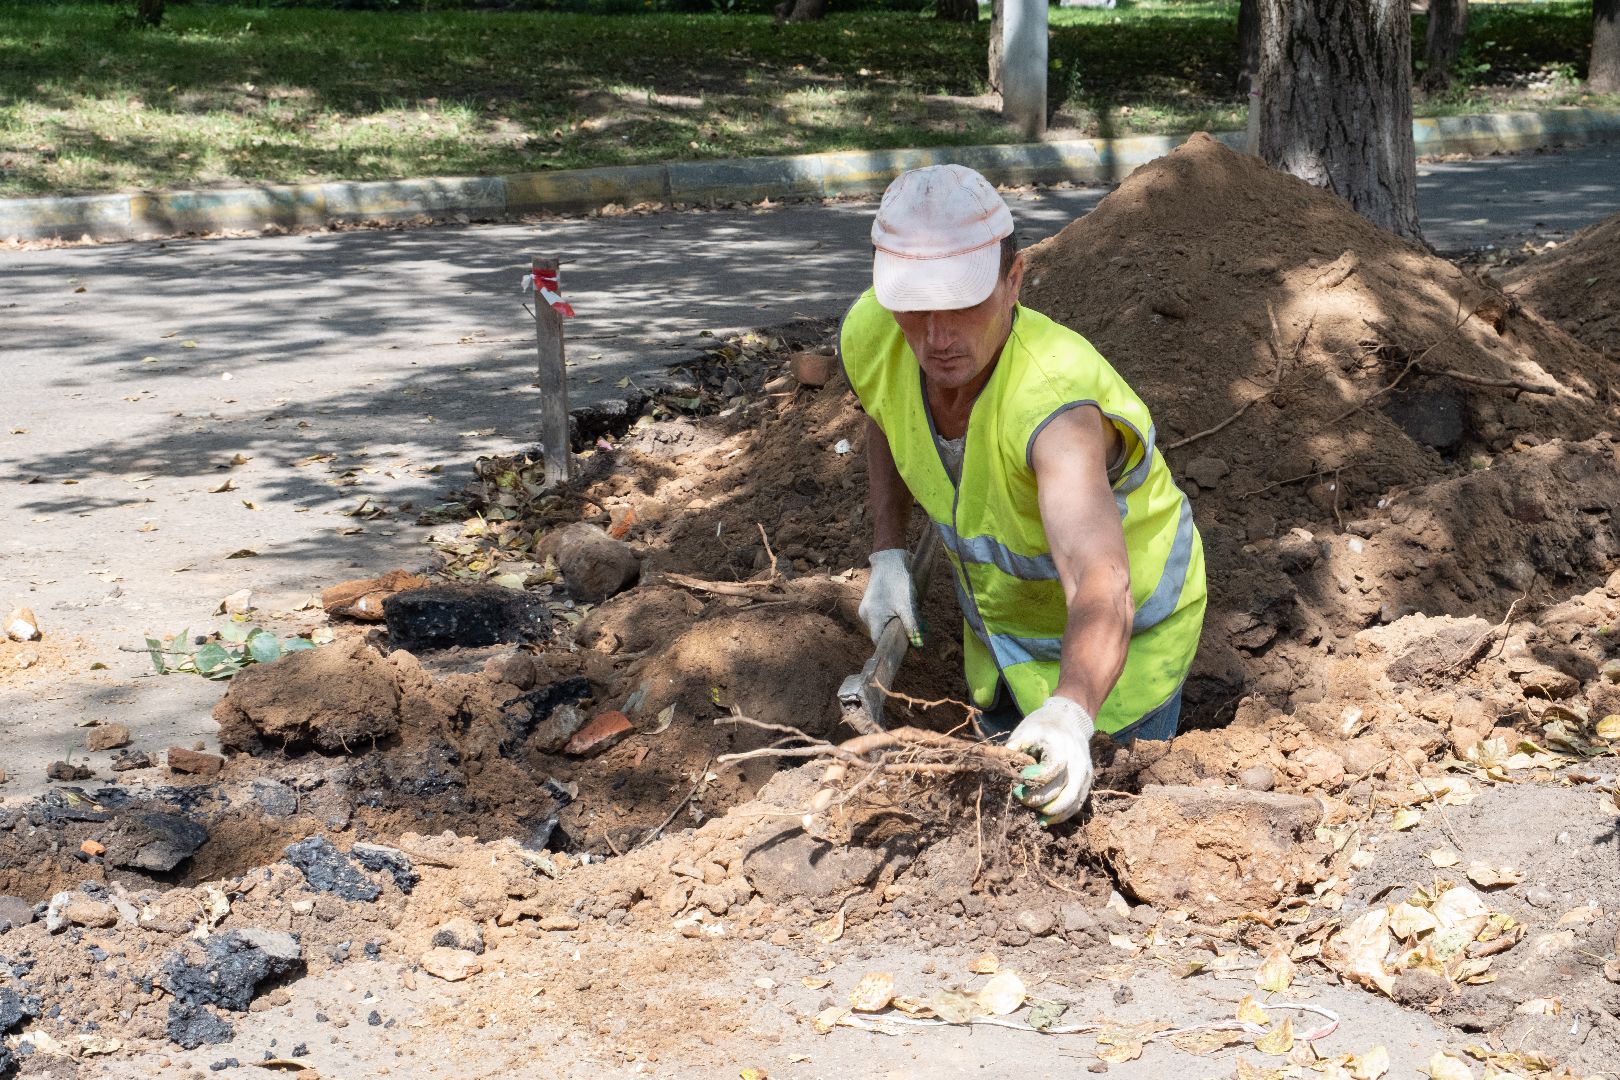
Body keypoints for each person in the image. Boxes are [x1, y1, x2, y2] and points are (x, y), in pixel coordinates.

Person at [840, 164, 1206, 825]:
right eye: (916, 309)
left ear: (1014, 282)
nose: (937, 337)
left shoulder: (1053, 406)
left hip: (1121, 663)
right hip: (1004, 647)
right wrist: (887, 552)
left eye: (962, 304)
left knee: (1098, 830)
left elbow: (1100, 578)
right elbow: (882, 408)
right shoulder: (878, 335)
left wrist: (1070, 713)